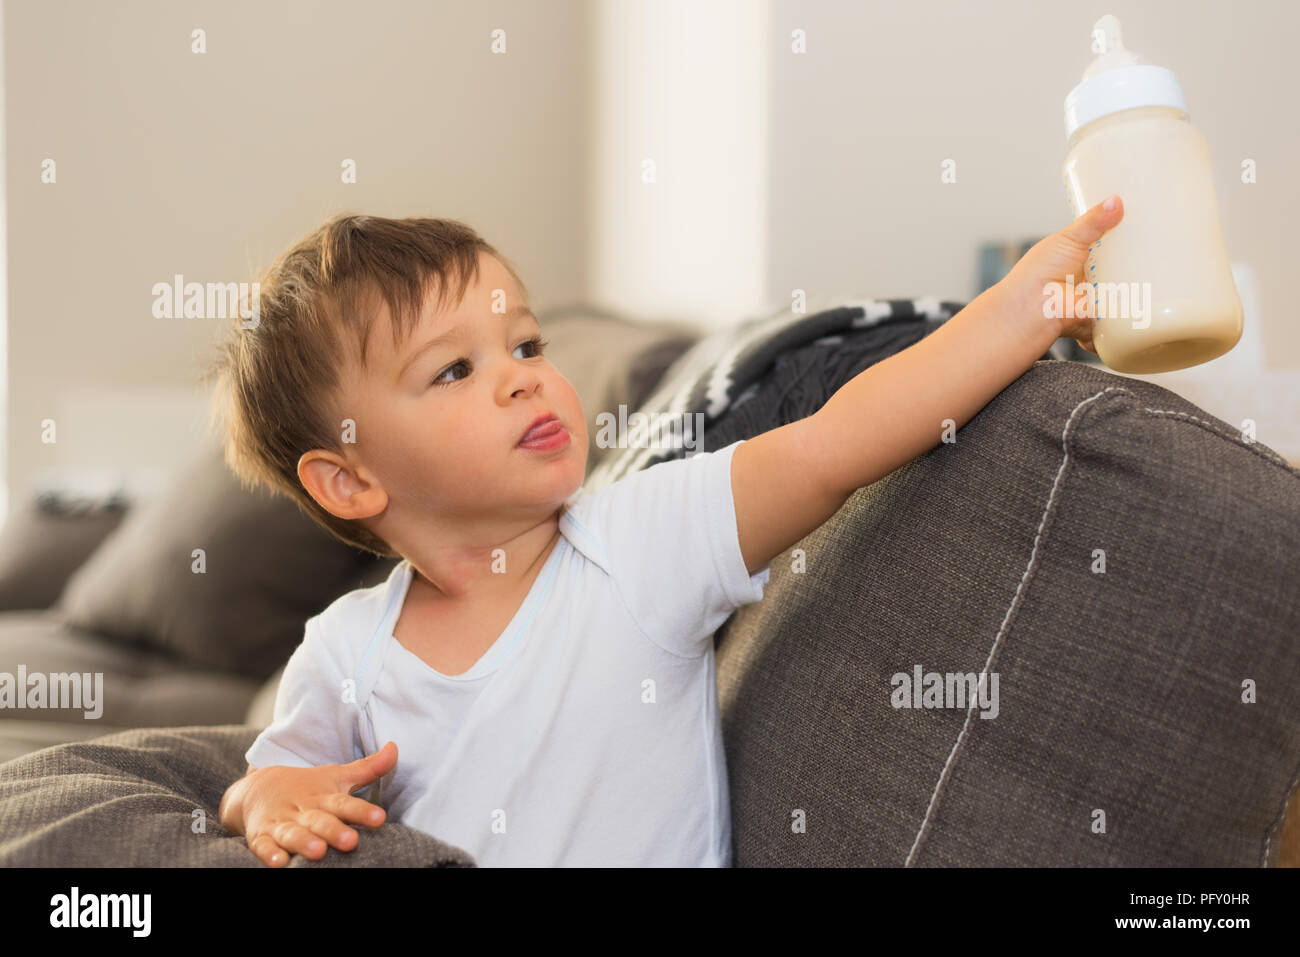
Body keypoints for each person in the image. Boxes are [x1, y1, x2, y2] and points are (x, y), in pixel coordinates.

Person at [213, 198, 1122, 866]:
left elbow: (832, 444)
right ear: (350, 476)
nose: (522, 378)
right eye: (454, 369)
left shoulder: (638, 541)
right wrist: (264, 795)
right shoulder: (344, 654)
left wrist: (1015, 312)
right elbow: (264, 782)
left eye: (526, 345)